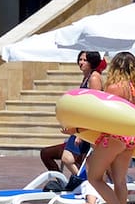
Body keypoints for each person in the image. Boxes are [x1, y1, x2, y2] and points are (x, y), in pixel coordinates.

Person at [83, 52, 135, 204]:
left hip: (114, 137)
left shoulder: (112, 86)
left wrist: (79, 129)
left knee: (93, 176)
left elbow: (104, 114)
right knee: (119, 180)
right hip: (130, 138)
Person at [39, 51, 104, 182]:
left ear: (92, 61)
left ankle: (84, 182)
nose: (81, 62)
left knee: (68, 158)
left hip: (87, 127)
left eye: (84, 60)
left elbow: (94, 106)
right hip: (81, 125)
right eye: (80, 59)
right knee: (68, 158)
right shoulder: (87, 77)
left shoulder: (94, 78)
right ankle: (82, 181)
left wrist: (81, 131)